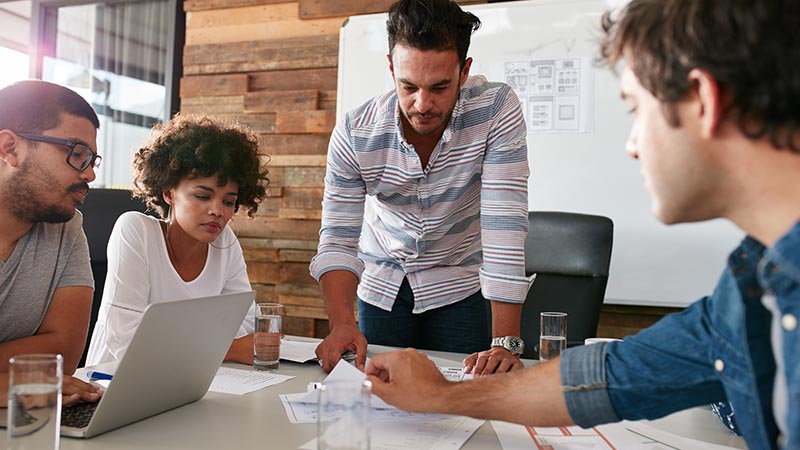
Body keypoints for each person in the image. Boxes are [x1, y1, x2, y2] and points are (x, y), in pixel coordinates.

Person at [364, 0, 800, 448]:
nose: (632, 145)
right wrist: (443, 394)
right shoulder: (750, 289)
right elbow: (613, 376)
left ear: (704, 100)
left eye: (636, 108)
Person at [310, 0, 534, 375]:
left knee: (464, 398)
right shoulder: (355, 132)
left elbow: (504, 227)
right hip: (383, 286)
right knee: (381, 400)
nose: (422, 104)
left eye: (439, 87)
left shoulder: (497, 110)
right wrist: (342, 324)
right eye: (408, 86)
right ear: (391, 67)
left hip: (459, 284)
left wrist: (505, 343)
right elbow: (337, 239)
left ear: (464, 72)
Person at [85, 114, 269, 366]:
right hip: (111, 383)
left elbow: (247, 325)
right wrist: (230, 349)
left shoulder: (225, 243)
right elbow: (128, 342)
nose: (218, 210)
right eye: (203, 196)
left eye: (228, 201)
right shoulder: (135, 230)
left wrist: (189, 342)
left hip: (193, 378)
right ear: (169, 193)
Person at [0, 80, 103, 405]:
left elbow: (63, 356)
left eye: (91, 160)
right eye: (76, 154)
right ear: (10, 148)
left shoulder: (67, 226)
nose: (89, 175)